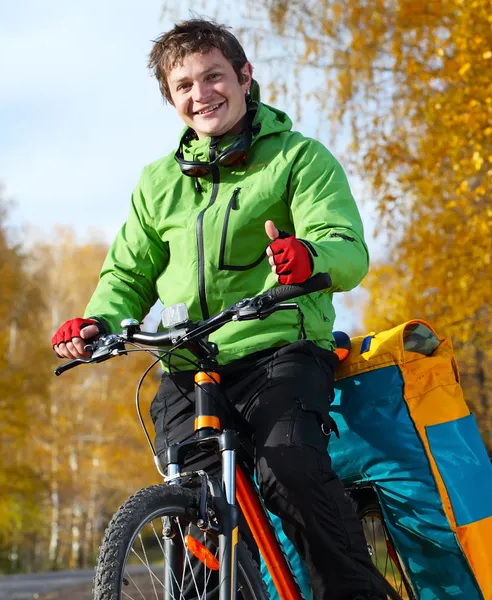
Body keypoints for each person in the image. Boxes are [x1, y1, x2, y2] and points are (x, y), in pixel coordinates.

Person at [52, 18, 388, 600]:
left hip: (279, 349)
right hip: (189, 365)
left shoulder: (296, 159)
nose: (200, 93)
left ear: (244, 77)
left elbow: (346, 245)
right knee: (199, 501)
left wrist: (307, 255)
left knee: (287, 467)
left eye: (213, 76)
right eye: (183, 85)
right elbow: (127, 273)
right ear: (172, 99)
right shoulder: (158, 183)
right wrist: (97, 322)